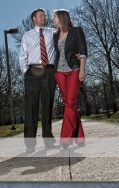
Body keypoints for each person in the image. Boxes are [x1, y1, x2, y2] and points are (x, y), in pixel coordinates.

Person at [19, 8, 58, 153]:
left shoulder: (52, 32)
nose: (44, 17)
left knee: (47, 107)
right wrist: (26, 72)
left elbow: (64, 40)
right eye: (41, 16)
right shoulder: (27, 36)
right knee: (31, 108)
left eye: (45, 16)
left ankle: (48, 141)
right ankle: (30, 144)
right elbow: (23, 56)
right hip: (32, 72)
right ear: (34, 19)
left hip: (49, 71)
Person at [52, 9, 87, 149]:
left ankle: (65, 139)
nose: (52, 19)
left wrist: (82, 70)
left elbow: (83, 52)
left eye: (54, 17)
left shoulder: (77, 31)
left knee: (71, 102)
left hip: (73, 70)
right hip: (59, 72)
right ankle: (79, 138)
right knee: (70, 104)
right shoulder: (54, 36)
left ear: (61, 18)